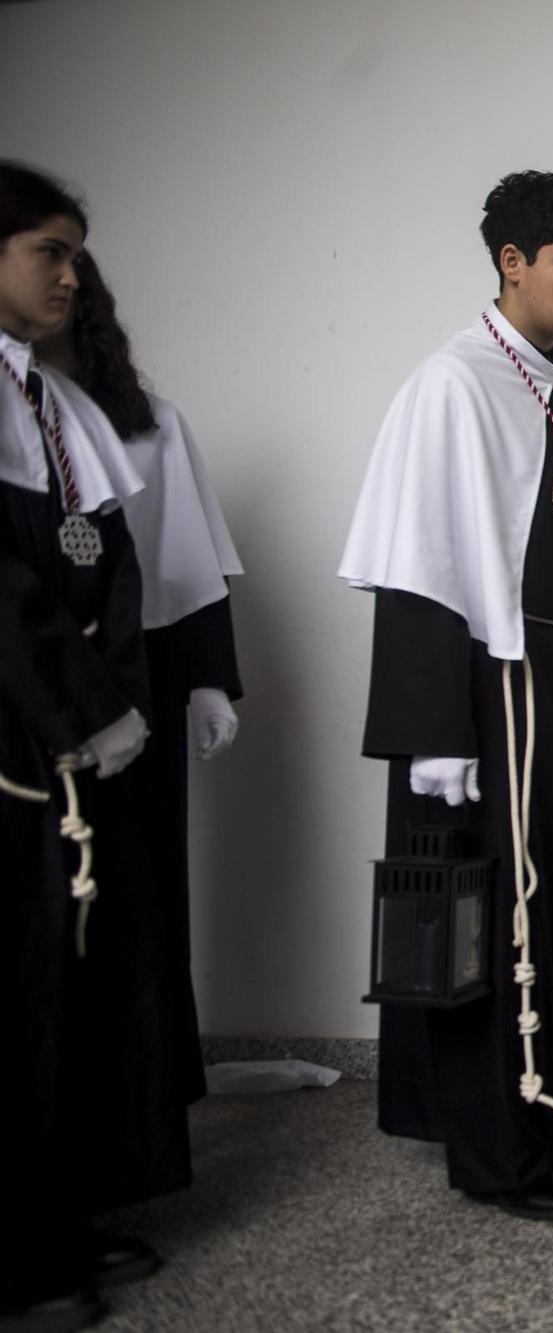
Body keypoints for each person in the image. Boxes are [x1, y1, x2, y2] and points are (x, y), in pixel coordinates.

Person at [338, 169, 553, 1219]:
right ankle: (493, 1148)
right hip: (484, 681)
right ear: (511, 263)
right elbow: (418, 559)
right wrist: (433, 729)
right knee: (488, 908)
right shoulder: (452, 384)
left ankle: (542, 1093)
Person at [0, 162, 187, 1333]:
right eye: (47, 252)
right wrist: (77, 704)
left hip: (73, 732)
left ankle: (50, 1217)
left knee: (66, 990)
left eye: (74, 253)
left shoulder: (53, 402)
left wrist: (117, 694)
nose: (73, 275)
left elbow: (109, 563)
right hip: (16, 738)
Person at [38, 249, 244, 1109]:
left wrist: (208, 679)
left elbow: (188, 558)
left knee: (149, 886)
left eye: (69, 267)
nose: (60, 286)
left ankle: (156, 1091)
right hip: (39, 676)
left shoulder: (147, 420)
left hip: (144, 669)